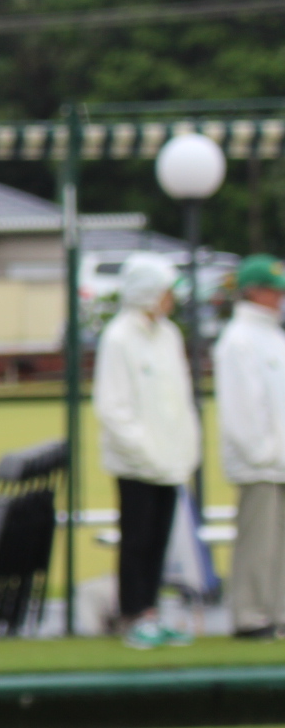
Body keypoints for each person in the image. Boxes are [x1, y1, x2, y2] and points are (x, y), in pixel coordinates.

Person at [95, 253, 199, 649]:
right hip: (135, 462)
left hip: (170, 461)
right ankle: (132, 614)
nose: (171, 299)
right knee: (136, 539)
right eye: (166, 292)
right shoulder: (119, 337)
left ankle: (152, 611)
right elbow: (113, 407)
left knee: (159, 539)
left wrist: (183, 448)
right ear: (147, 293)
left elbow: (178, 398)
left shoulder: (169, 334)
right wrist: (144, 450)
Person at [214, 254, 285, 638]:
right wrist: (264, 453)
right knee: (258, 544)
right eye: (274, 292)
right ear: (254, 292)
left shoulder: (273, 336)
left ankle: (277, 611)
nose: (279, 298)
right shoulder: (238, 340)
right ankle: (250, 616)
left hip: (280, 461)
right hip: (261, 463)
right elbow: (242, 408)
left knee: (279, 547)